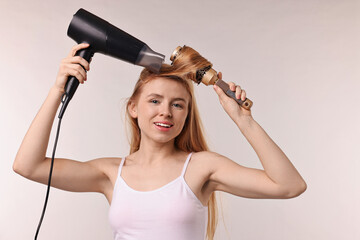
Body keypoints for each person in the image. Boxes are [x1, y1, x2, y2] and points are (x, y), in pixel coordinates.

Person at [13, 43, 307, 240]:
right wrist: (57, 91)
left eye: (178, 104)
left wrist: (244, 121)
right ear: (133, 107)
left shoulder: (202, 168)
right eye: (155, 100)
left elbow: (289, 185)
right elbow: (28, 166)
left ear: (186, 114)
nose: (166, 111)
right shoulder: (109, 174)